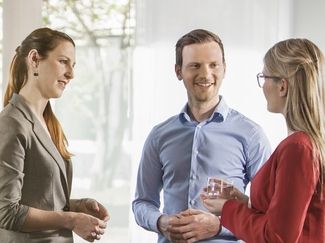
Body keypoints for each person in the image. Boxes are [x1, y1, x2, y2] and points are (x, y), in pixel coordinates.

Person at [132, 29, 272, 243]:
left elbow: (268, 213)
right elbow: (142, 202)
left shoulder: (251, 134)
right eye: (195, 65)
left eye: (213, 65)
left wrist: (218, 227)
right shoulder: (159, 135)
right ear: (178, 71)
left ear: (224, 69)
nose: (206, 74)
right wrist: (162, 223)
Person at [201, 38, 325, 243]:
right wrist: (243, 202)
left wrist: (227, 208)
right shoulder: (307, 144)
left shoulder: (298, 147)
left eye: (265, 76)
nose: (263, 85)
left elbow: (276, 238)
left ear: (282, 86)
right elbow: (286, 219)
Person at [0, 27, 109, 243]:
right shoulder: (12, 123)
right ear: (34, 59)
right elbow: (6, 211)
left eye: (73, 65)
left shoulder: (47, 122)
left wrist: (75, 205)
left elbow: (36, 197)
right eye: (63, 61)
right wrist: (71, 219)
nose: (71, 73)